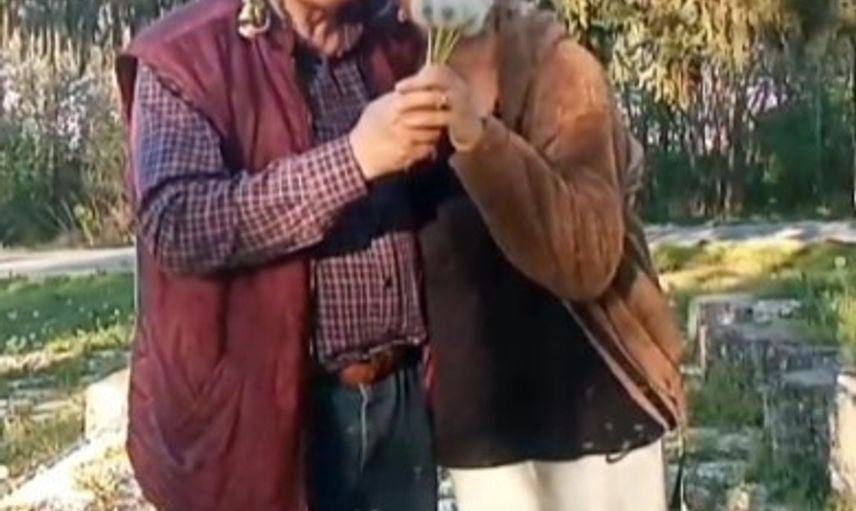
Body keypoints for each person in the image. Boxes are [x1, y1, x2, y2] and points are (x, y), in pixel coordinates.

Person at [114, 0, 443, 508]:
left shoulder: (394, 37)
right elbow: (177, 222)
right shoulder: (189, 52)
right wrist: (354, 159)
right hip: (262, 425)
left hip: (398, 409)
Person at [399, 0, 687, 509]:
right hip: (486, 439)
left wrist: (478, 139)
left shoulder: (559, 68)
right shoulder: (392, 70)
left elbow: (590, 256)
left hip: (593, 424)